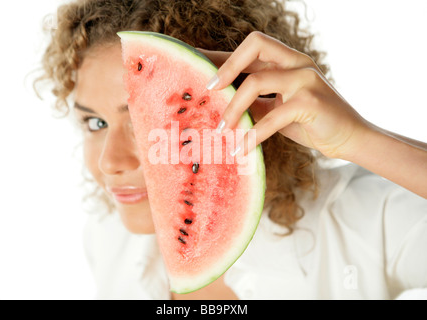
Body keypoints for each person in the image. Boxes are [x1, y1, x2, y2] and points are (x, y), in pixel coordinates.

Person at [36, 0, 427, 299]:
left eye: (145, 123)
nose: (109, 162)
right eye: (95, 123)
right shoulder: (108, 239)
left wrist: (357, 140)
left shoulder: (359, 221)